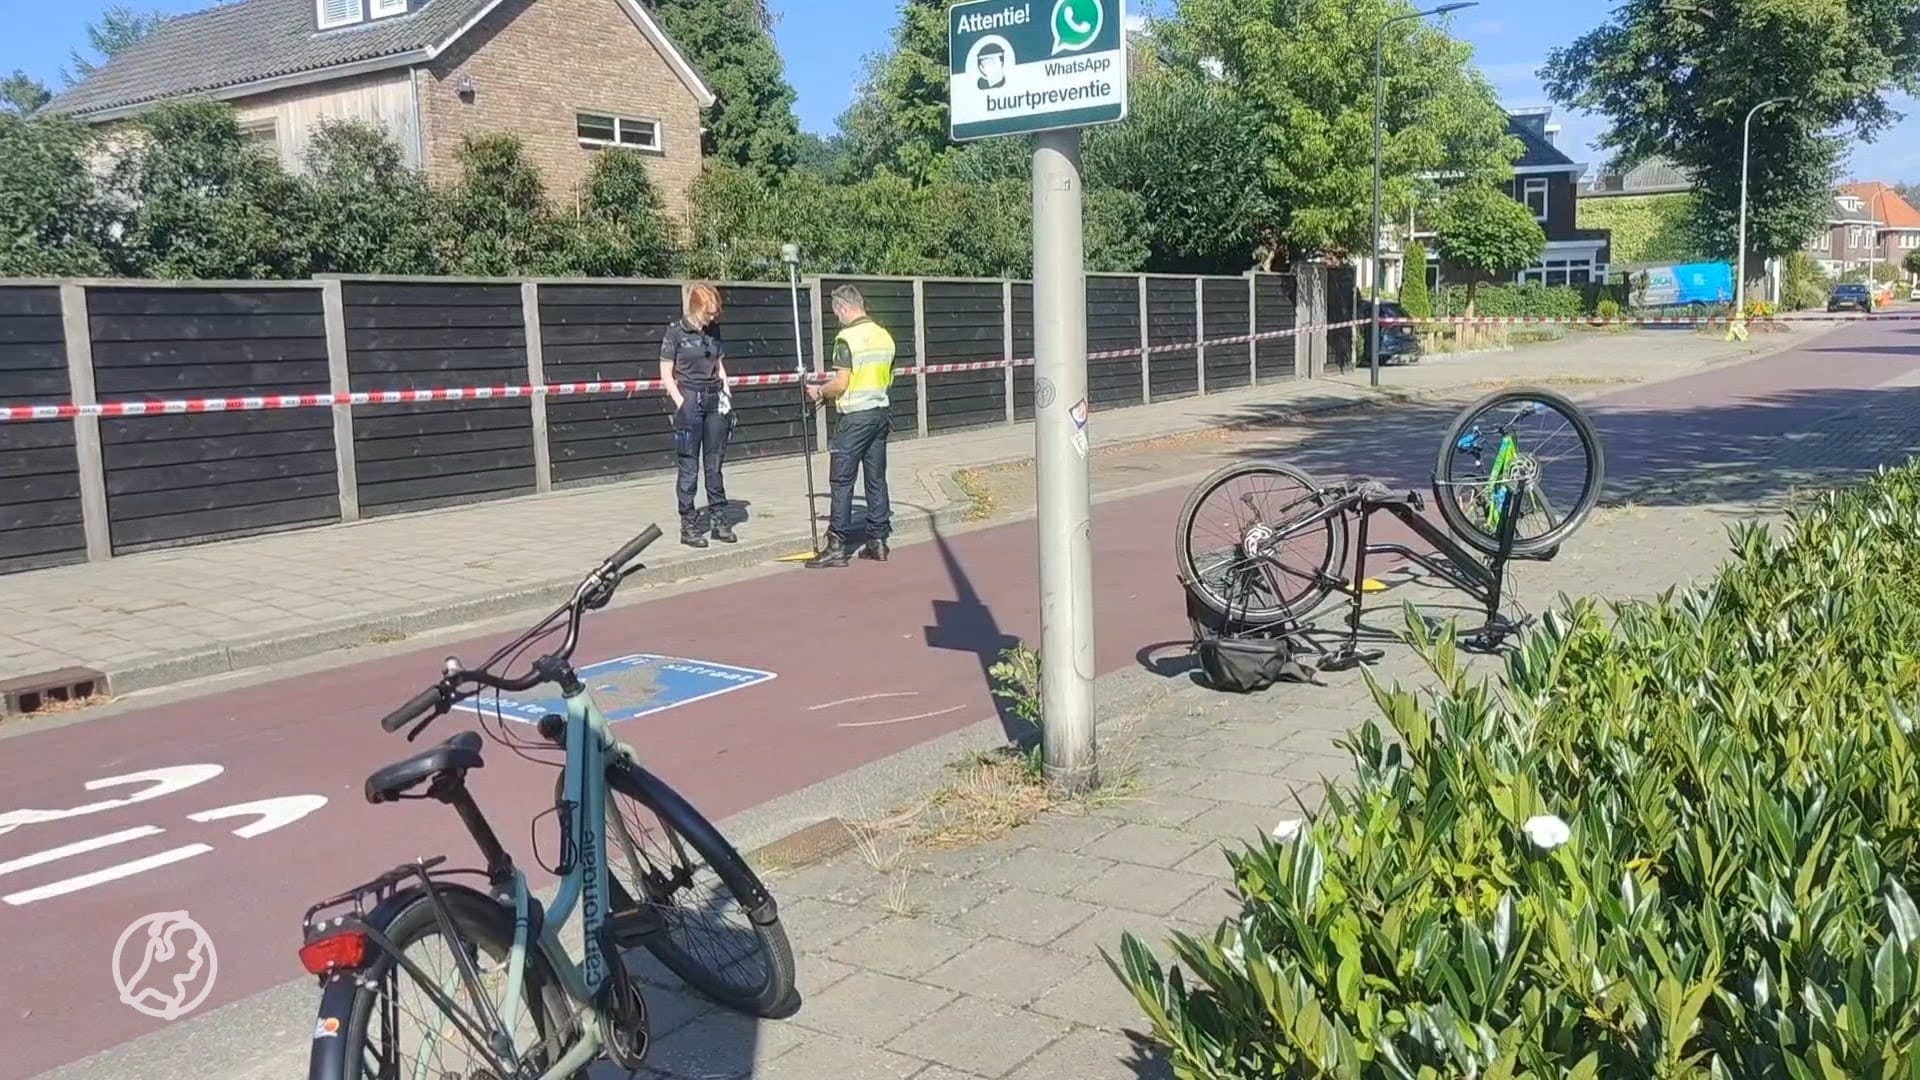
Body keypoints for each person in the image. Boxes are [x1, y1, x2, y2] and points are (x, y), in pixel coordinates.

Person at [805, 285, 895, 568]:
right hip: (879, 413)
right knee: (876, 478)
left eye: (836, 313)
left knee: (842, 480)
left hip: (854, 417)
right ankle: (877, 540)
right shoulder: (884, 336)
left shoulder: (846, 339)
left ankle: (837, 546)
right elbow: (889, 377)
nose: (837, 318)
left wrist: (819, 391)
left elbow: (841, 382)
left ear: (844, 307)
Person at [660, 283, 735, 548]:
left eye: (714, 314)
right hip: (690, 398)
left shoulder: (713, 331)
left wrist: (726, 392)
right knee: (689, 467)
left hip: (714, 399)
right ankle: (689, 524)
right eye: (707, 314)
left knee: (714, 465)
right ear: (695, 308)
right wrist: (681, 403)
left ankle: (718, 519)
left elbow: (719, 365)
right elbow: (666, 375)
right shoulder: (675, 333)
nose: (711, 319)